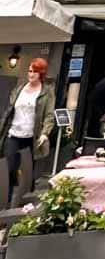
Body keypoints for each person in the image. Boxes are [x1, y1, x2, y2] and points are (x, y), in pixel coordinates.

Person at [0, 58, 55, 202]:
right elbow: (9, 111)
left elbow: (49, 116)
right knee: (9, 170)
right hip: (14, 134)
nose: (31, 74)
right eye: (30, 71)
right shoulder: (19, 89)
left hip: (31, 138)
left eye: (35, 72)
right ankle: (4, 207)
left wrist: (44, 133)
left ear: (41, 74)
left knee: (27, 175)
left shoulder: (46, 92)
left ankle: (23, 208)